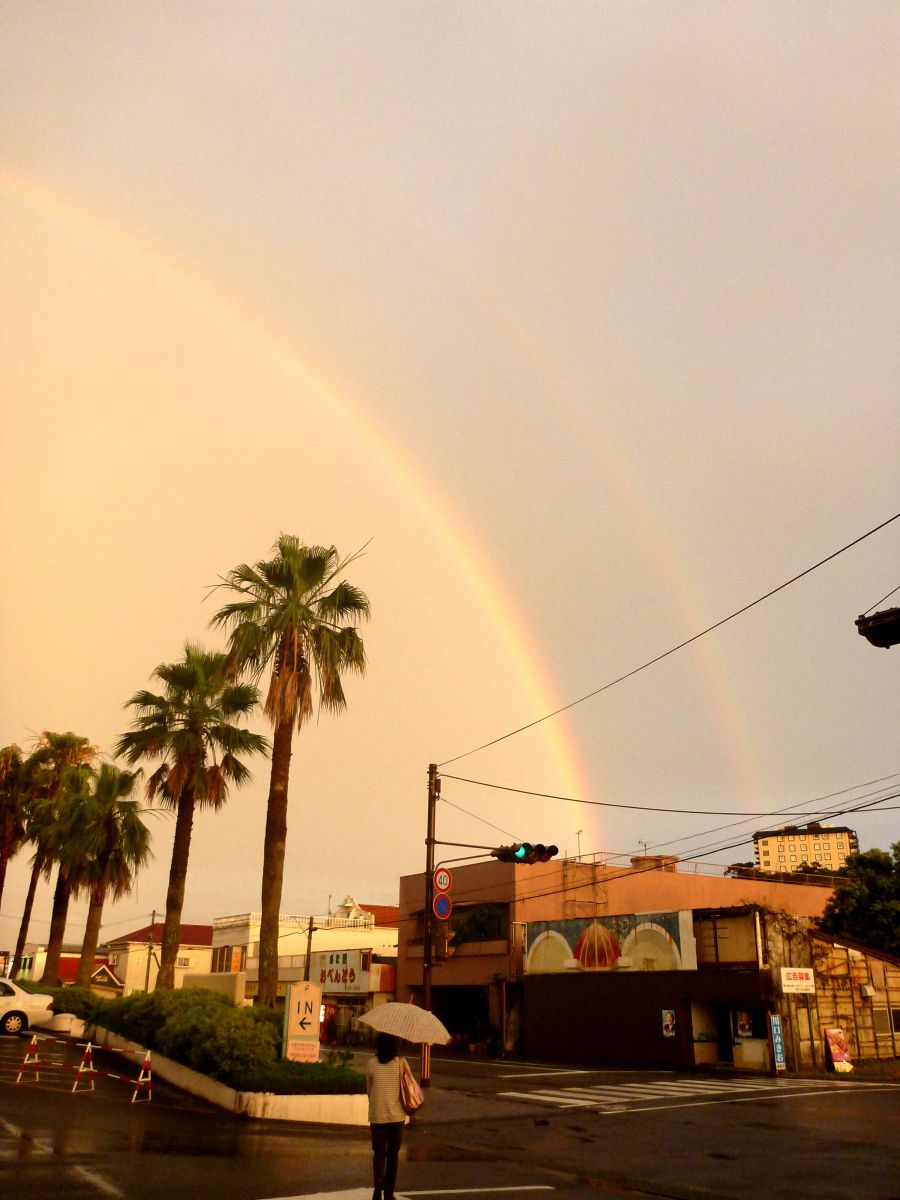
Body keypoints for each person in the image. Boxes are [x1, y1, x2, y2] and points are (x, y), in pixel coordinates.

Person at [365, 1032, 407, 1200]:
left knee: (379, 1154)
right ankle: (389, 1194)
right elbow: (407, 1088)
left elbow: (369, 1090)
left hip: (377, 1116)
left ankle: (377, 1190)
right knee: (393, 1156)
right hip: (397, 1117)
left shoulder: (371, 1064)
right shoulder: (402, 1064)